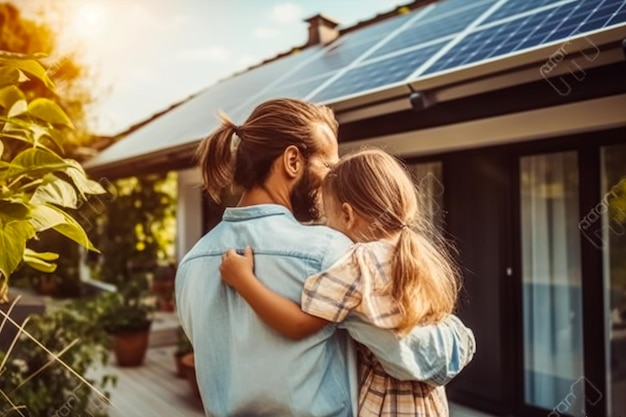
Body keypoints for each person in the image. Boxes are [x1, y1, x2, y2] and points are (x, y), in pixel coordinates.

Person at [176, 98, 475, 417]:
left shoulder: (192, 264)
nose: (334, 181)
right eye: (330, 166)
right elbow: (423, 357)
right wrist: (461, 336)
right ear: (293, 161)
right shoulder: (333, 253)